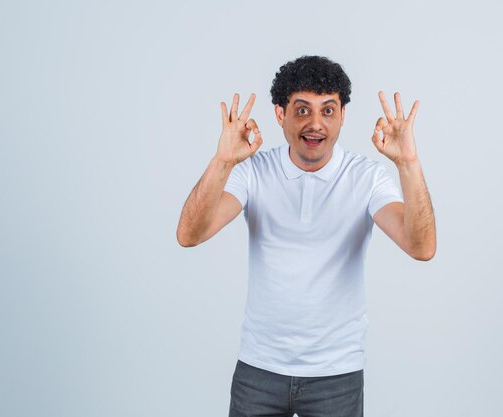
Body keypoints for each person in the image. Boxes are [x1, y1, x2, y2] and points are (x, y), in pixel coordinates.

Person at [176, 56, 436, 417]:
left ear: (343, 115)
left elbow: (422, 248)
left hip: (337, 374)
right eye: (302, 110)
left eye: (328, 111)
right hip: (259, 369)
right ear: (280, 114)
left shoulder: (367, 177)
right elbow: (190, 234)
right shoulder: (253, 171)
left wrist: (408, 163)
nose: (316, 124)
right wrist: (223, 161)